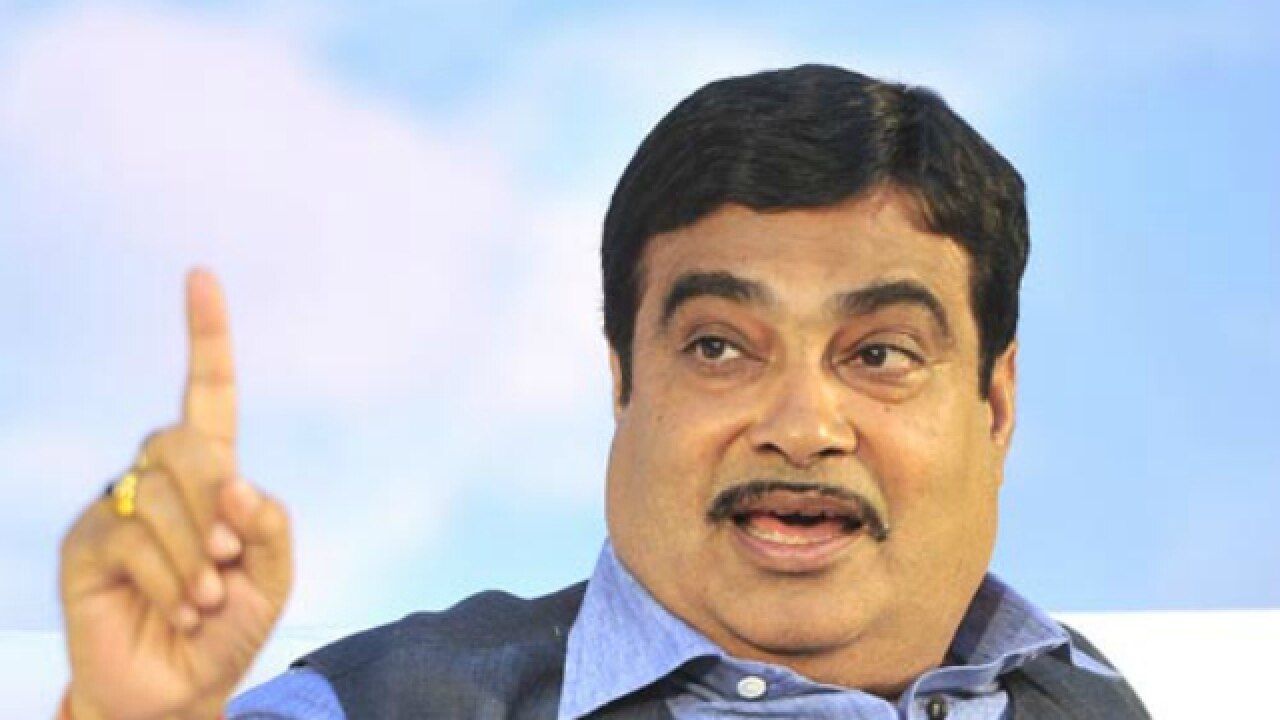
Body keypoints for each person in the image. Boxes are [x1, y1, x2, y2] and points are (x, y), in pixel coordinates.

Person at [56, 64, 1150, 719]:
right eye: (719, 346)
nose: (802, 427)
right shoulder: (386, 705)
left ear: (994, 405)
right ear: (622, 379)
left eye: (878, 355)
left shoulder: (1087, 696)